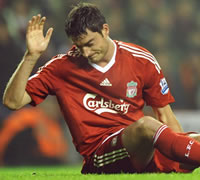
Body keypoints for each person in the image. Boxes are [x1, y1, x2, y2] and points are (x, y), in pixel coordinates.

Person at [2, 2, 200, 174]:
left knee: (194, 140)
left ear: (105, 30)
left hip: (142, 151)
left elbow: (166, 117)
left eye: (89, 43)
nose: (86, 52)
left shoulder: (141, 60)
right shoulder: (61, 67)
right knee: (146, 125)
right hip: (99, 157)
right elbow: (13, 101)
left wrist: (180, 152)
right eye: (79, 47)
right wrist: (31, 56)